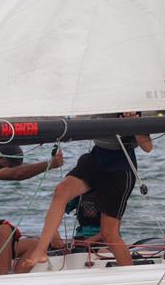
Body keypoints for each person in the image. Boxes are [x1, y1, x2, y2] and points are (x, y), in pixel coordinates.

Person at [17, 112, 153, 272]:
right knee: (61, 191)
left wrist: (133, 122)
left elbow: (148, 147)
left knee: (109, 234)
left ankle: (130, 277)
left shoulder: (130, 108)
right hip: (96, 156)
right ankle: (40, 251)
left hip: (120, 166)